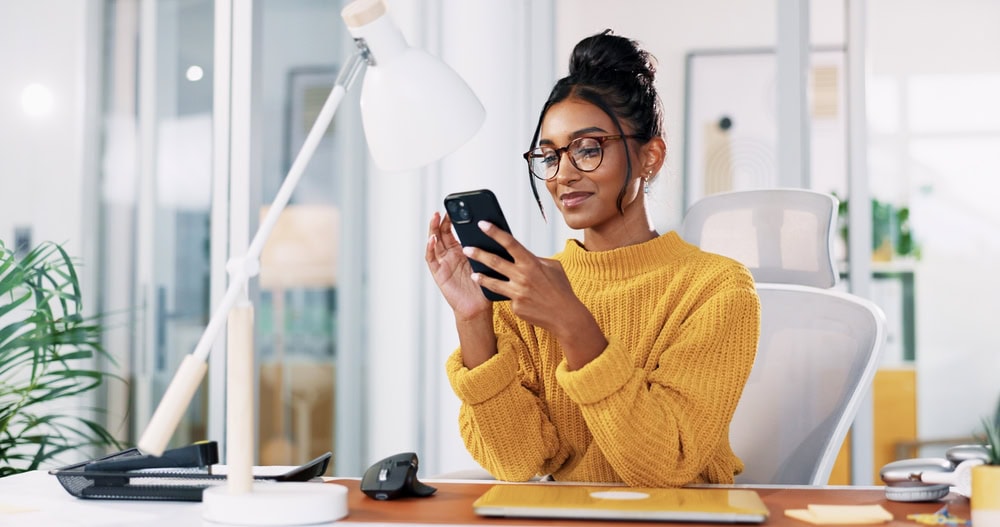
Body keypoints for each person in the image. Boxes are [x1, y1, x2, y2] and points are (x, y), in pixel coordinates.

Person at [424, 29, 760, 487]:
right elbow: (517, 462)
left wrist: (573, 323)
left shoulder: (716, 288)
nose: (563, 174)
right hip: (563, 516)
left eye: (588, 148)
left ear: (651, 157)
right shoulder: (528, 288)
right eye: (549, 155)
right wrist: (474, 319)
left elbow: (665, 466)